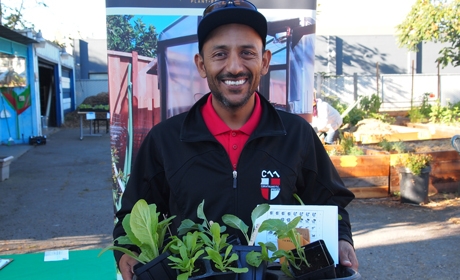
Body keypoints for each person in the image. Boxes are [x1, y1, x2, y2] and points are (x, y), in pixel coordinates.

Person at [113, 1, 359, 279]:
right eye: (219, 54)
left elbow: (330, 202)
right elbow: (132, 215)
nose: (234, 67)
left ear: (264, 61)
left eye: (247, 53)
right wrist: (127, 252)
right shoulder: (165, 140)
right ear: (201, 64)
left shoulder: (297, 135)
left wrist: (342, 238)